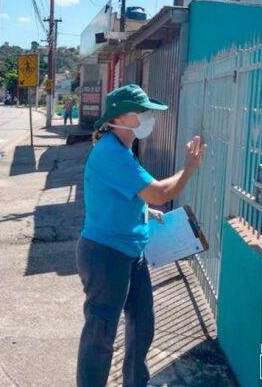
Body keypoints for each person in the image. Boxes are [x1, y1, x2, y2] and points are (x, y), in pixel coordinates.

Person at [76, 84, 207, 387]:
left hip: (130, 252)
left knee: (142, 323)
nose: (149, 117)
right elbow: (159, 193)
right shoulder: (110, 151)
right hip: (105, 255)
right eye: (142, 111)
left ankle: (136, 382)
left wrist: (144, 211)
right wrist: (188, 168)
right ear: (120, 116)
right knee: (101, 333)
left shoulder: (123, 149)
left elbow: (122, 194)